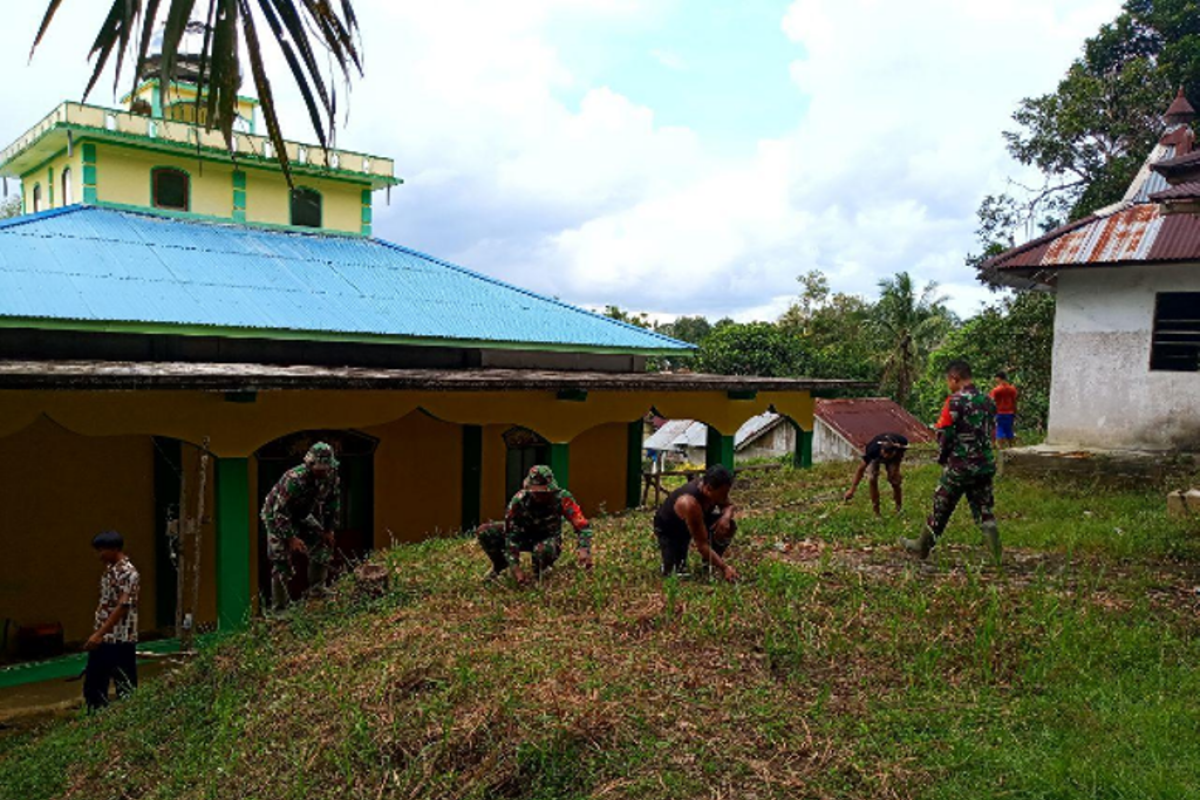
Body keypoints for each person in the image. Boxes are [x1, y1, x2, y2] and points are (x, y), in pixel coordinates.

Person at [903, 360, 1001, 563]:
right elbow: (990, 431)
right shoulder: (988, 401)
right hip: (985, 464)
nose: (949, 384)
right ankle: (997, 555)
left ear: (955, 378)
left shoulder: (954, 401)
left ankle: (920, 547)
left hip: (960, 465)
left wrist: (943, 457)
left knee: (941, 505)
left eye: (949, 380)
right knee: (984, 510)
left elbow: (945, 433)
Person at [476, 465, 593, 585]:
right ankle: (500, 564)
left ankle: (540, 571)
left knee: (542, 551)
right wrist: (516, 569)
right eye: (535, 492)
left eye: (543, 492)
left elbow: (582, 525)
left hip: (547, 539)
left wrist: (584, 549)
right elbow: (510, 535)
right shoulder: (519, 501)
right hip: (523, 536)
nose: (539, 496)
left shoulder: (562, 498)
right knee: (485, 531)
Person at [261, 442, 342, 612]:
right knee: (281, 560)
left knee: (321, 543)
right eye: (319, 469)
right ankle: (280, 608)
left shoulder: (331, 476)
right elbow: (279, 511)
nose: (323, 472)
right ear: (310, 464)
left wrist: (328, 529)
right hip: (276, 516)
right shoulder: (293, 479)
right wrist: (291, 538)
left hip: (303, 514)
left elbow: (332, 503)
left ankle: (317, 589)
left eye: (326, 468)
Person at [84, 530, 140, 711]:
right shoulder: (110, 571)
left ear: (115, 549)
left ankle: (129, 719)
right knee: (94, 684)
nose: (99, 555)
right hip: (105, 636)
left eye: (102, 550)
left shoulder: (129, 573)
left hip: (120, 637)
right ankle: (96, 718)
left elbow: (123, 607)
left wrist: (100, 634)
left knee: (125, 683)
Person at [653, 464, 738, 581]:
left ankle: (709, 564)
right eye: (722, 494)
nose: (724, 497)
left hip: (698, 520)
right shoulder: (690, 503)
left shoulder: (713, 489)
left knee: (729, 526)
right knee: (675, 574)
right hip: (671, 530)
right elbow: (702, 544)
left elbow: (729, 506)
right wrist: (724, 568)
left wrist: (726, 517)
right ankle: (672, 562)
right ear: (708, 489)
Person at [843, 432, 909, 515]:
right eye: (884, 455)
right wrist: (852, 489)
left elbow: (900, 456)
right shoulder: (873, 450)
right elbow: (860, 469)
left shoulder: (901, 442)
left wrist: (895, 471)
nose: (885, 457)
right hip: (876, 458)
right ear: (882, 450)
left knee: (894, 480)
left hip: (895, 458)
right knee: (872, 479)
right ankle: (876, 512)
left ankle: (898, 508)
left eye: (888, 456)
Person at [989, 371, 1019, 449]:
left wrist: (991, 413)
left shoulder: (996, 390)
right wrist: (1015, 412)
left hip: (999, 413)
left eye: (996, 378)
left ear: (998, 378)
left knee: (1000, 430)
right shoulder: (1012, 389)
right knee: (1009, 430)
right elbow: (1015, 401)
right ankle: (1012, 448)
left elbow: (991, 402)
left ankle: (1001, 450)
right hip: (1010, 413)